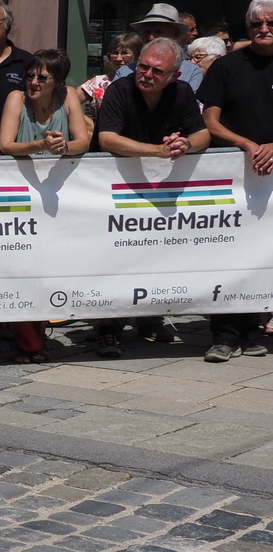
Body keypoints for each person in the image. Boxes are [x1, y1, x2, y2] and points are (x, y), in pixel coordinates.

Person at [91, 36, 210, 358]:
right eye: (143, 66)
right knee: (113, 260)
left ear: (174, 75)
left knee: (155, 256)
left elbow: (201, 132)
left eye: (157, 71)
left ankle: (149, 318)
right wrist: (157, 151)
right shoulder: (120, 89)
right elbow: (107, 138)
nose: (147, 74)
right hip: (115, 189)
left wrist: (187, 145)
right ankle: (106, 328)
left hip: (159, 192)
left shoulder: (182, 93)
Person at [0, 49, 93, 363]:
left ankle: (35, 334)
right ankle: (30, 344)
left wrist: (64, 146)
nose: (33, 82)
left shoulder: (69, 98)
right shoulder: (17, 99)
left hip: (55, 195)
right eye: (30, 76)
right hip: (19, 193)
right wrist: (40, 145)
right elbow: (6, 144)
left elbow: (83, 141)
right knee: (20, 269)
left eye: (42, 78)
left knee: (48, 268)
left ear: (58, 82)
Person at [197, 0, 273, 363]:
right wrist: (246, 143)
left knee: (264, 254)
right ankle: (225, 334)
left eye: (270, 23)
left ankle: (253, 328)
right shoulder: (226, 67)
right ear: (248, 28)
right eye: (257, 24)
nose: (263, 29)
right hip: (235, 175)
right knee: (231, 253)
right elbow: (210, 121)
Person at [112, 4, 205, 90]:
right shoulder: (124, 72)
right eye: (147, 32)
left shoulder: (191, 72)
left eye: (158, 32)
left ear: (175, 34)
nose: (151, 37)